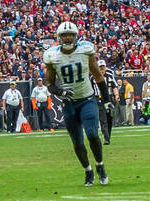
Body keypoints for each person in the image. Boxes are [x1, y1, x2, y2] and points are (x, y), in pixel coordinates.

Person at [44, 20, 109, 185]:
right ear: (59, 37)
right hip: (69, 104)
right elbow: (49, 84)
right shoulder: (53, 56)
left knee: (93, 134)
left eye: (70, 35)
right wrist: (61, 91)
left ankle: (100, 165)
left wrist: (107, 100)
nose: (67, 38)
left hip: (87, 99)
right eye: (64, 35)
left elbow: (98, 77)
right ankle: (88, 170)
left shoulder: (85, 51)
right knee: (77, 142)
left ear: (76, 36)